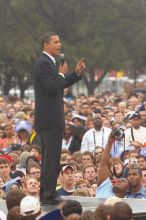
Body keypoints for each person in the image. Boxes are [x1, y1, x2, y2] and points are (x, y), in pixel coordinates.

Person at [34, 32, 85, 205]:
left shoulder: (49, 62)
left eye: (59, 42)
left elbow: (58, 85)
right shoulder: (43, 63)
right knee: (51, 159)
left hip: (51, 119)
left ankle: (47, 193)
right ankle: (47, 195)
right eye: (56, 42)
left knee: (53, 158)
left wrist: (75, 74)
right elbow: (50, 87)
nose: (59, 45)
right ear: (45, 44)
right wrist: (62, 74)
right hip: (49, 120)